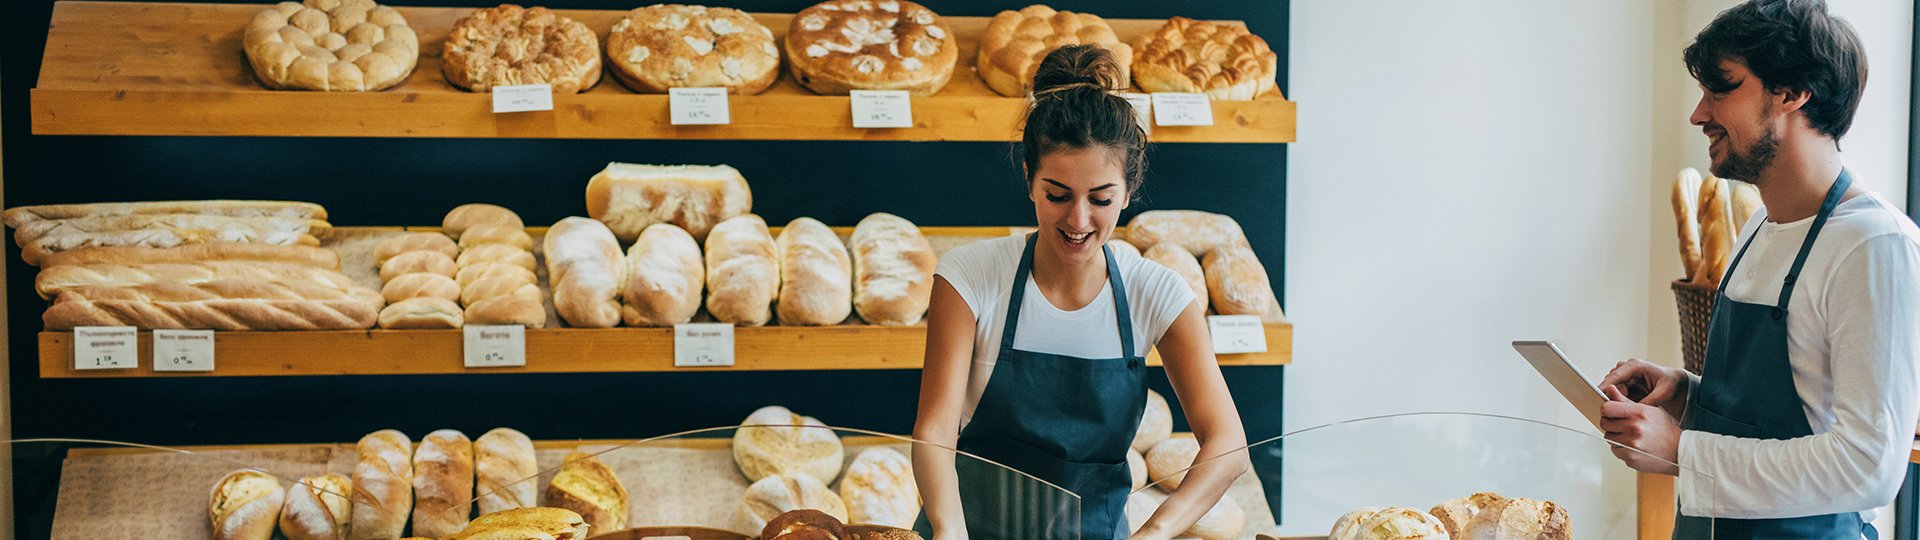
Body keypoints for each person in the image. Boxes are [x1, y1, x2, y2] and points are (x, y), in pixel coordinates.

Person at [1598, 1, 1920, 538]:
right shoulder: (1759, 226)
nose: (1699, 114)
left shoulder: (1874, 246)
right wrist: (1685, 392)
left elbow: (1869, 466)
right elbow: (1777, 415)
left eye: (1720, 90)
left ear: (1793, 93)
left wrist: (1681, 449)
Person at [910, 44, 1249, 540]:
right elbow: (935, 431)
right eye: (1057, 195)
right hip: (967, 529)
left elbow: (1228, 445)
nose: (1078, 220)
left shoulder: (1155, 293)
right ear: (1029, 178)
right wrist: (949, 529)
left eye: (1101, 199)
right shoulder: (970, 276)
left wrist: (1155, 532)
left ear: (1129, 190)